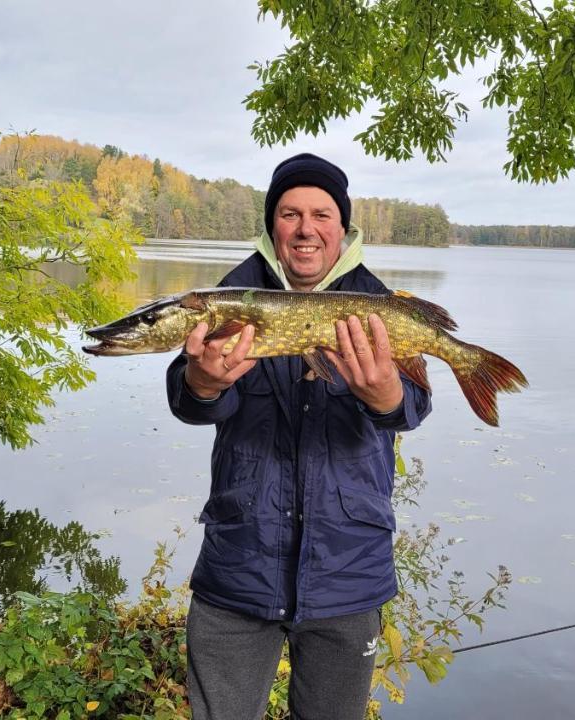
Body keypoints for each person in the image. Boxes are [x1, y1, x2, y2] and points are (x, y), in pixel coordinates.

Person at [165, 153, 432, 720]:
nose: (305, 229)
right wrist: (203, 382)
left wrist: (385, 396)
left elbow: (413, 407)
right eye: (290, 214)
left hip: (348, 571)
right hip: (239, 567)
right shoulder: (232, 298)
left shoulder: (379, 305)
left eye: (320, 214)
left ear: (343, 227)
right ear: (272, 226)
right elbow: (189, 402)